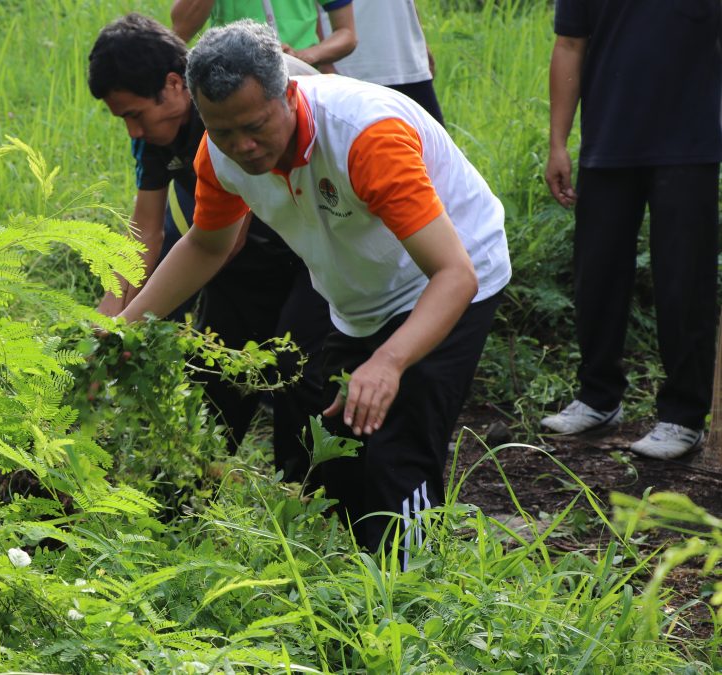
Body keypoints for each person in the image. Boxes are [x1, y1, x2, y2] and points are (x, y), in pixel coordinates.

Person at [119, 20, 510, 564]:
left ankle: (413, 599)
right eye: (223, 131)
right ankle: (344, 593)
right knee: (332, 455)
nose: (243, 147)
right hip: (358, 296)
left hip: (447, 278)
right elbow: (206, 248)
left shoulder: (365, 137)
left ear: (289, 93)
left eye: (254, 126)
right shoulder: (222, 154)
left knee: (397, 453)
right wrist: (124, 328)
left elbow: (455, 275)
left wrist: (389, 362)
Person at [87, 13, 331, 477]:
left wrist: (133, 322)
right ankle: (188, 504)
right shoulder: (154, 138)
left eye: (136, 115)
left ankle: (303, 509)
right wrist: (105, 324)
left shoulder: (224, 109)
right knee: (213, 374)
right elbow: (145, 232)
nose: (133, 132)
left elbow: (223, 242)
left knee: (294, 369)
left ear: (175, 84)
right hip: (238, 257)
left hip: (315, 250)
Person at [540, 1, 721, 460]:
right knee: (596, 273)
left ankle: (683, 416)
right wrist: (558, 143)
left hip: (691, 145)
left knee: (684, 280)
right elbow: (569, 44)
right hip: (609, 139)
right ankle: (598, 397)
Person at [317, 0, 444, 126]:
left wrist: (421, 44)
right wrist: (323, 62)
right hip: (351, 69)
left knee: (432, 142)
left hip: (407, 61)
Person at [172, 0, 357, 71]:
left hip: (301, 76)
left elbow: (346, 34)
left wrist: (303, 56)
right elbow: (181, 30)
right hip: (236, 76)